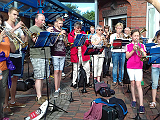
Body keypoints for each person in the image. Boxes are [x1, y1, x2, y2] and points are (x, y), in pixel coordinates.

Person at [3, 7, 27, 115]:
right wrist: (16, 28)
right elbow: (6, 35)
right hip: (8, 55)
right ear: (8, 14)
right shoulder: (4, 24)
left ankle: (13, 101)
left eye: (17, 15)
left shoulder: (18, 27)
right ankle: (5, 104)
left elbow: (23, 40)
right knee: (8, 80)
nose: (16, 17)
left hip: (18, 54)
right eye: (14, 14)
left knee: (15, 79)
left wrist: (26, 33)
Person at [29, 13, 51, 104]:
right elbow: (36, 40)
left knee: (42, 77)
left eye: (44, 20)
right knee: (38, 77)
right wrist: (47, 32)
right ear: (36, 20)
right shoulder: (32, 29)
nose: (43, 22)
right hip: (37, 55)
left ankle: (40, 95)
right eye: (42, 20)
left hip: (44, 55)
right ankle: (38, 96)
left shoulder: (42, 29)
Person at [126, 29, 146, 113]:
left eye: (138, 35)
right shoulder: (128, 45)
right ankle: (134, 99)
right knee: (132, 83)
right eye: (135, 35)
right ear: (131, 36)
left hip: (138, 66)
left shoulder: (142, 45)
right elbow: (127, 56)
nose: (136, 37)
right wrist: (133, 50)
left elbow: (145, 56)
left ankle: (141, 104)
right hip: (130, 66)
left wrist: (142, 52)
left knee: (138, 84)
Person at [0, 13, 16, 119]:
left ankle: (1, 115)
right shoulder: (1, 34)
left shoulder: (4, 34)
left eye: (0, 21)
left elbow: (13, 50)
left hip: (5, 65)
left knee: (2, 90)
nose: (0, 23)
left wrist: (12, 39)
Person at [68, 21, 91, 88]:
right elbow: (70, 43)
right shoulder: (71, 34)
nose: (79, 30)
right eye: (77, 28)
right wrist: (75, 39)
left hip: (83, 53)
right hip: (75, 54)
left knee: (87, 68)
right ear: (74, 28)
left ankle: (87, 82)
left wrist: (85, 39)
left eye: (80, 28)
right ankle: (74, 82)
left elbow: (87, 42)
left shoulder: (83, 33)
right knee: (76, 69)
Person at [50, 17, 67, 98]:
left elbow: (66, 44)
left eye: (62, 24)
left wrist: (65, 37)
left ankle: (59, 87)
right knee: (56, 71)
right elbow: (52, 42)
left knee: (60, 71)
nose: (61, 25)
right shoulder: (53, 31)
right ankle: (56, 89)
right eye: (60, 23)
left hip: (62, 53)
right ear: (56, 23)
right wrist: (59, 34)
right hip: (55, 53)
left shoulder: (62, 31)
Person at [149, 31, 160, 109]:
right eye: (159, 39)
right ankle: (153, 101)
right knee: (154, 83)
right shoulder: (153, 47)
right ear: (157, 39)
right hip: (155, 66)